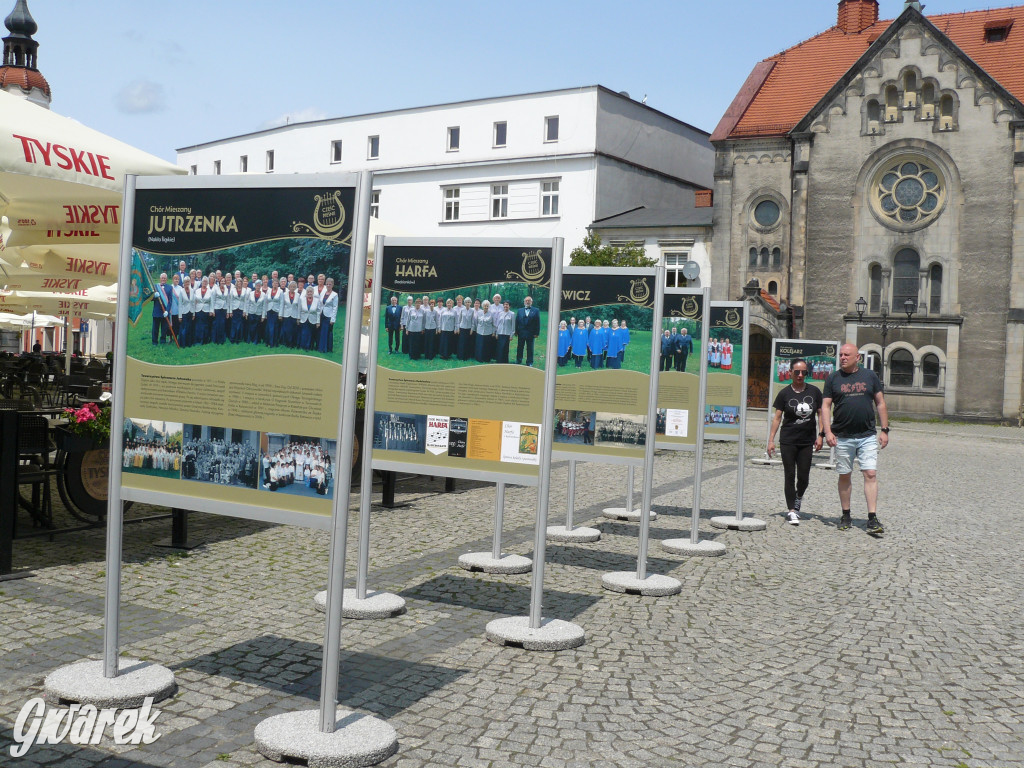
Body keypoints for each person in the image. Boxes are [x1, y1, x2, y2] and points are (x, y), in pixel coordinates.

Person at [822, 343, 890, 533]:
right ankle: (846, 514)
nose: (842, 357)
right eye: (841, 355)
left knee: (870, 473)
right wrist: (827, 431)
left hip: (867, 434)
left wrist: (884, 429)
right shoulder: (833, 378)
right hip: (842, 436)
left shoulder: (870, 376)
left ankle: (872, 517)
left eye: (846, 355)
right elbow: (826, 406)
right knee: (845, 474)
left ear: (857, 357)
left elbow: (880, 402)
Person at [767, 358, 823, 525]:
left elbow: (821, 414)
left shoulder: (814, 392)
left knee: (804, 477)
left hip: (807, 440)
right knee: (790, 474)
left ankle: (798, 497)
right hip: (788, 440)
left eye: (803, 372)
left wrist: (821, 435)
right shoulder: (784, 393)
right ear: (790, 372)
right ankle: (792, 509)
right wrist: (771, 440)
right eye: (797, 372)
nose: (800, 375)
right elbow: (777, 418)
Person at [515, 295, 541, 366]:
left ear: (531, 302)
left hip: (531, 333)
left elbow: (537, 322)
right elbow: (517, 321)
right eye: (526, 300)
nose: (527, 302)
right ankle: (518, 360)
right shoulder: (519, 310)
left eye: (529, 300)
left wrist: (537, 333)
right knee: (520, 347)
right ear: (524, 302)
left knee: (530, 348)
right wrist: (516, 331)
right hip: (521, 332)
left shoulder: (536, 310)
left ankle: (529, 362)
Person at [152, 273, 175, 345]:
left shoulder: (170, 287)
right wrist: (154, 296)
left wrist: (167, 311)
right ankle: (154, 341)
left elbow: (170, 301)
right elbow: (150, 299)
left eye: (164, 278)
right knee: (155, 328)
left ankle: (163, 341)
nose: (163, 279)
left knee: (164, 328)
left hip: (165, 312)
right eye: (162, 278)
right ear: (160, 278)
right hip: (157, 311)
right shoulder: (155, 287)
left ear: (167, 279)